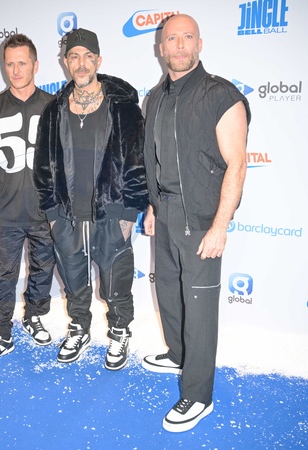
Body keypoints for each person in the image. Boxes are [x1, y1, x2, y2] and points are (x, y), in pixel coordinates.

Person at [141, 14, 250, 432]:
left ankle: (199, 394)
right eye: (173, 38)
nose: (180, 45)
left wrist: (220, 225)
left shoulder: (221, 95)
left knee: (200, 308)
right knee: (169, 293)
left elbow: (237, 164)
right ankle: (179, 355)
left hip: (202, 220)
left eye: (188, 37)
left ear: (199, 44)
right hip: (166, 212)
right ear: (161, 47)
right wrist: (154, 206)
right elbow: (156, 160)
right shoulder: (155, 98)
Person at [33, 28, 148, 371]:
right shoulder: (54, 111)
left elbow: (138, 161)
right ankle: (79, 328)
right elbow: (43, 166)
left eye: (87, 56)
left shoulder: (123, 107)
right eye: (74, 56)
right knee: (74, 281)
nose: (81, 63)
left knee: (116, 281)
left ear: (98, 60)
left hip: (111, 214)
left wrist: (129, 213)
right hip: (67, 215)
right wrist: (53, 215)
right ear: (65, 62)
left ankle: (119, 330)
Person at [0, 34, 55, 368]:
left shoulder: (54, 106)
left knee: (43, 270)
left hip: (46, 211)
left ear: (36, 65)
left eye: (22, 63)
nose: (16, 70)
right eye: (10, 64)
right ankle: (0, 333)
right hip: (5, 212)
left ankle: (34, 316)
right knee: (4, 276)